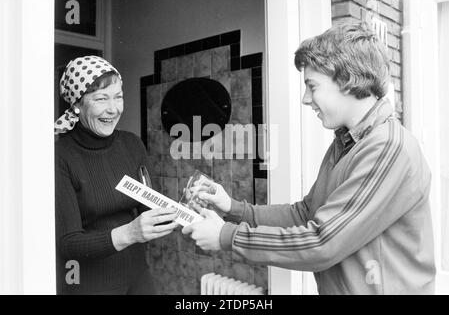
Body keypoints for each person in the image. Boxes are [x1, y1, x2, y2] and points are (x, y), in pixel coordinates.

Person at [182, 21, 436, 295]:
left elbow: (322, 242)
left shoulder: (387, 148)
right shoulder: (346, 143)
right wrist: (233, 207)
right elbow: (305, 213)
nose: (305, 98)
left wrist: (226, 236)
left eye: (312, 86)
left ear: (347, 81)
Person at [55, 56, 178, 294]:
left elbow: (150, 210)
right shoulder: (60, 155)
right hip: (90, 283)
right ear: (77, 105)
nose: (113, 109)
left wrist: (184, 211)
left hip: (138, 274)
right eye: (101, 99)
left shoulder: (132, 144)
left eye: (118, 96)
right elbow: (68, 244)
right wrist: (130, 232)